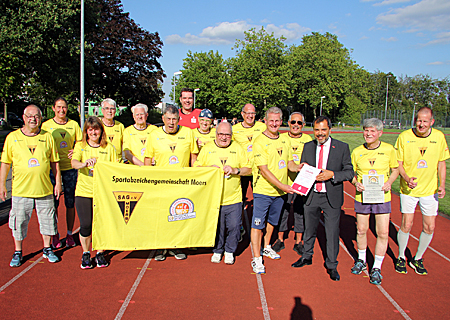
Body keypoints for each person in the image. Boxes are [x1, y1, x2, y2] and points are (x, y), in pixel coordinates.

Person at [291, 116, 353, 281]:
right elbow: (304, 167)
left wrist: (332, 174)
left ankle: (332, 265)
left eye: (323, 130)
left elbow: (349, 172)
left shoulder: (342, 147)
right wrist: (302, 169)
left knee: (332, 232)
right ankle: (306, 256)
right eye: (317, 130)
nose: (320, 133)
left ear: (329, 130)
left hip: (331, 196)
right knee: (309, 229)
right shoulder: (308, 146)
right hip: (311, 195)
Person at [1, 105, 61, 267]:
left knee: (48, 220)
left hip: (44, 189)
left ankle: (47, 248)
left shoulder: (47, 137)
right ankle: (18, 251)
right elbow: (5, 163)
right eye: (29, 116)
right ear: (23, 117)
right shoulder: (12, 138)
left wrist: (58, 183)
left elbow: (55, 162)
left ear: (41, 119)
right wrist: (2, 185)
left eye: (36, 116)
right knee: (19, 222)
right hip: (21, 190)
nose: (33, 119)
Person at [394, 107, 449, 275]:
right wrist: (406, 178)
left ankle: (417, 258)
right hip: (409, 190)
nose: (421, 124)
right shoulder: (404, 137)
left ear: (432, 122)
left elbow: (441, 163)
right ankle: (401, 256)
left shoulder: (439, 137)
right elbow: (399, 163)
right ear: (415, 120)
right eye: (419, 120)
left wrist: (442, 184)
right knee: (406, 224)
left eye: (425, 121)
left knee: (429, 226)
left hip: (430, 190)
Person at [144, 104, 199, 260]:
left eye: (174, 119)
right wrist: (148, 181)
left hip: (182, 184)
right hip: (161, 183)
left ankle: (177, 245)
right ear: (163, 119)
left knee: (180, 213)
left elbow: (193, 158)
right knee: (161, 215)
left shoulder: (188, 133)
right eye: (168, 119)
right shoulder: (154, 135)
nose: (171, 122)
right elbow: (147, 159)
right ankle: (161, 247)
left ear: (179, 119)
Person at [250, 107, 300, 274]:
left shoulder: (285, 140)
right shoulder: (259, 141)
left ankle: (266, 246)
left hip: (279, 192)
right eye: (271, 120)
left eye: (277, 120)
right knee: (258, 224)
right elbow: (263, 170)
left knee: (273, 222)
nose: (274, 123)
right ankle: (256, 259)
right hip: (264, 191)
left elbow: (289, 164)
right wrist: (283, 186)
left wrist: (300, 167)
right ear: (265, 120)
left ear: (281, 121)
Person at [350, 118, 399, 285]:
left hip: (381, 196)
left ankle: (377, 267)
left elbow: (395, 169)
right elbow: (351, 172)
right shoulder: (357, 151)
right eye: (366, 130)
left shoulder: (389, 149)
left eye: (372, 131)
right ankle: (361, 259)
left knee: (383, 232)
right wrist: (356, 183)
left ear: (380, 133)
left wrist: (389, 183)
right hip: (363, 196)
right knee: (362, 230)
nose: (368, 134)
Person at [195, 122, 251, 264]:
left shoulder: (238, 148)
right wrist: (208, 168)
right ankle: (218, 250)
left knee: (234, 226)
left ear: (231, 135)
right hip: (213, 198)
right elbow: (196, 168)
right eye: (221, 134)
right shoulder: (207, 148)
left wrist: (235, 170)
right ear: (216, 134)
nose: (224, 137)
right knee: (217, 227)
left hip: (233, 197)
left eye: (227, 134)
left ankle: (230, 250)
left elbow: (249, 169)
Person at [71, 116, 117, 269]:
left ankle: (100, 252)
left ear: (101, 131)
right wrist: (84, 163)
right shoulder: (80, 146)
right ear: (86, 131)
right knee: (86, 225)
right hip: (84, 191)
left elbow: (115, 169)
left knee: (101, 224)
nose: (93, 132)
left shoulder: (108, 148)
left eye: (96, 129)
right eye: (90, 129)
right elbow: (74, 163)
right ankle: (85, 253)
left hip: (102, 193)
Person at [42, 97, 82, 248]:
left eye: (64, 107)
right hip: (53, 170)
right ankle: (54, 234)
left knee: (70, 203)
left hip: (70, 169)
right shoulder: (46, 126)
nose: (61, 110)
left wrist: (76, 150)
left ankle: (70, 233)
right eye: (58, 107)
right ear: (53, 108)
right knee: (53, 204)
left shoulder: (73, 125)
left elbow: (80, 142)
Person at [272, 112, 312, 255]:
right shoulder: (281, 138)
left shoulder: (308, 139)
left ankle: (298, 241)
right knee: (284, 210)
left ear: (303, 124)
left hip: (302, 183)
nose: (296, 125)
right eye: (293, 122)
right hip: (285, 182)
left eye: (299, 123)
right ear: (288, 123)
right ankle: (280, 239)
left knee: (300, 211)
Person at [232, 104, 266, 205]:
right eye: (248, 113)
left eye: (253, 113)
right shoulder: (234, 129)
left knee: (260, 198)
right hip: (243, 169)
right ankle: (239, 218)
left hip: (258, 169)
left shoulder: (262, 127)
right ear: (242, 114)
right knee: (240, 198)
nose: (250, 116)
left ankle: (258, 219)